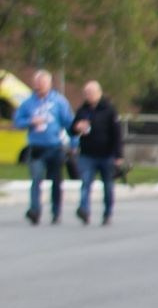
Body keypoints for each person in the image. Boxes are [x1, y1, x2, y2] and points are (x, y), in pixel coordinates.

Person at [15, 70, 74, 226]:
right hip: (36, 147)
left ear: (49, 84)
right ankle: (35, 210)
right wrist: (30, 121)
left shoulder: (59, 102)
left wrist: (74, 143)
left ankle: (56, 212)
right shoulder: (28, 103)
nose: (39, 86)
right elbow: (18, 122)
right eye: (37, 83)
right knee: (36, 179)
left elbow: (69, 123)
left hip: (55, 147)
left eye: (43, 83)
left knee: (56, 181)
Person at [72, 80, 123, 227]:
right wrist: (77, 127)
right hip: (87, 154)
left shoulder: (109, 110)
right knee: (85, 182)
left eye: (91, 92)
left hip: (106, 154)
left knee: (107, 186)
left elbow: (117, 134)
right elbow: (72, 129)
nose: (89, 95)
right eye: (86, 93)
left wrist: (118, 156)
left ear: (99, 93)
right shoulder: (82, 110)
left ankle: (107, 213)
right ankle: (84, 210)